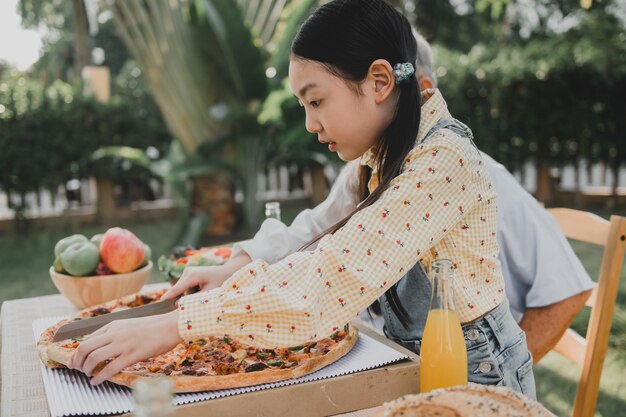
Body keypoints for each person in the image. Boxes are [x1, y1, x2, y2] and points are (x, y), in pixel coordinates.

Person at [68, 0, 535, 398]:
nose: (310, 124)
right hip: (412, 362)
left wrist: (174, 326)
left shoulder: (441, 162)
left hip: (479, 378)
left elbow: (334, 273)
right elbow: (321, 228)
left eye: (315, 101)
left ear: (378, 81)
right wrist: (239, 264)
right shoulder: (383, 153)